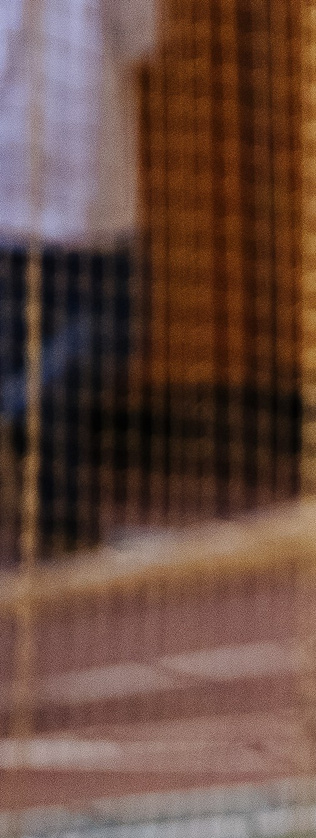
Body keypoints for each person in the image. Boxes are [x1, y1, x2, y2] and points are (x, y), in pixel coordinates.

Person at [1, 0, 157, 558]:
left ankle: (60, 521)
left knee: (29, 352)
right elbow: (140, 37)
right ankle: (17, 408)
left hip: (10, 164)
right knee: (112, 330)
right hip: (85, 164)